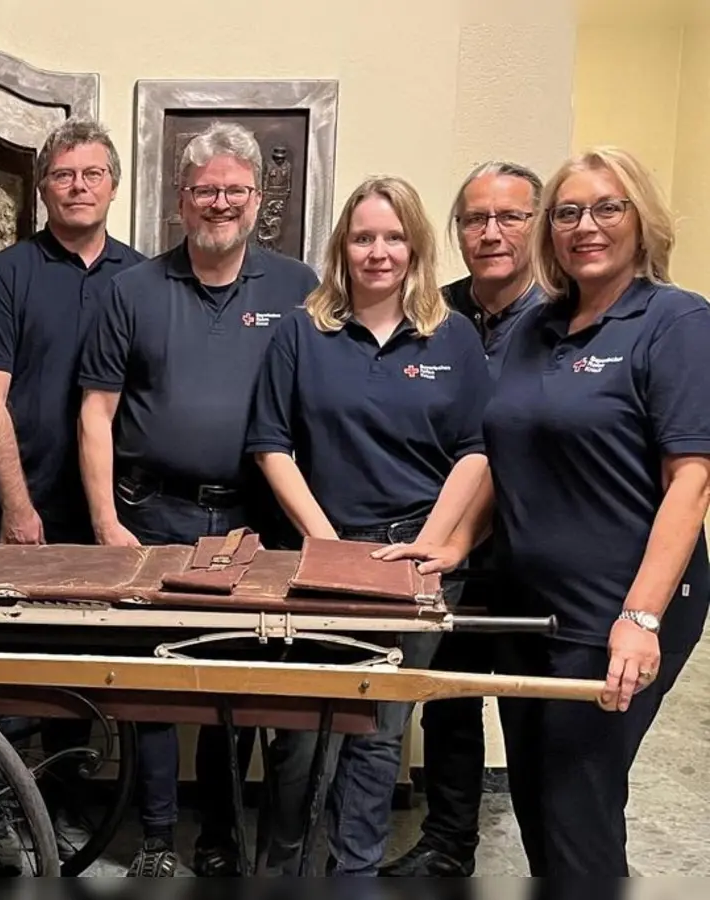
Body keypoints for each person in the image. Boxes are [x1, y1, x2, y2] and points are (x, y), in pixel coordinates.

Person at [382, 146, 710, 877]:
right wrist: (453, 544)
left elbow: (691, 482)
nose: (585, 226)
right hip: (527, 602)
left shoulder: (675, 321)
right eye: (568, 212)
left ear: (641, 220)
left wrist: (641, 617)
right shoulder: (536, 327)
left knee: (575, 800)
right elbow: (509, 453)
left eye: (606, 207)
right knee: (537, 795)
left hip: (619, 603)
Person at [77, 120, 317, 877]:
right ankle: (153, 839)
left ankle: (219, 835)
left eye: (235, 191)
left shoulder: (300, 287)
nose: (220, 203)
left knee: (237, 685)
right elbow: (95, 412)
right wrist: (107, 524)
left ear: (258, 199)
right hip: (154, 516)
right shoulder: (132, 289)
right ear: (180, 198)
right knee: (153, 683)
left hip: (256, 522)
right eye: (205, 190)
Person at [244, 175, 493, 876]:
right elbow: (271, 443)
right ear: (342, 248)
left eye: (392, 236)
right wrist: (327, 542)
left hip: (420, 560)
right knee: (301, 733)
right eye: (363, 238)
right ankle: (281, 871)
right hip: (322, 551)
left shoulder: (453, 335)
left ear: (414, 245)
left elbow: (476, 448)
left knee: (380, 731)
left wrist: (436, 544)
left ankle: (353, 874)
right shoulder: (303, 331)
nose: (378, 252)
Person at [0, 118, 143, 873]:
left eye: (92, 173)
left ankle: (67, 810)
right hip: (25, 506)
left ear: (113, 184)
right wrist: (16, 504)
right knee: (10, 667)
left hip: (113, 515)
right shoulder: (7, 273)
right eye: (64, 175)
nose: (79, 186)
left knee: (85, 672)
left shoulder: (142, 276)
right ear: (43, 189)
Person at [379, 160, 544, 878]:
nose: (491, 232)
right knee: (448, 702)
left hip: (532, 550)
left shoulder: (565, 318)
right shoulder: (433, 315)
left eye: (510, 217)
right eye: (476, 219)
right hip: (444, 548)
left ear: (537, 226)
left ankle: (559, 864)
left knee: (537, 723)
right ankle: (448, 847)